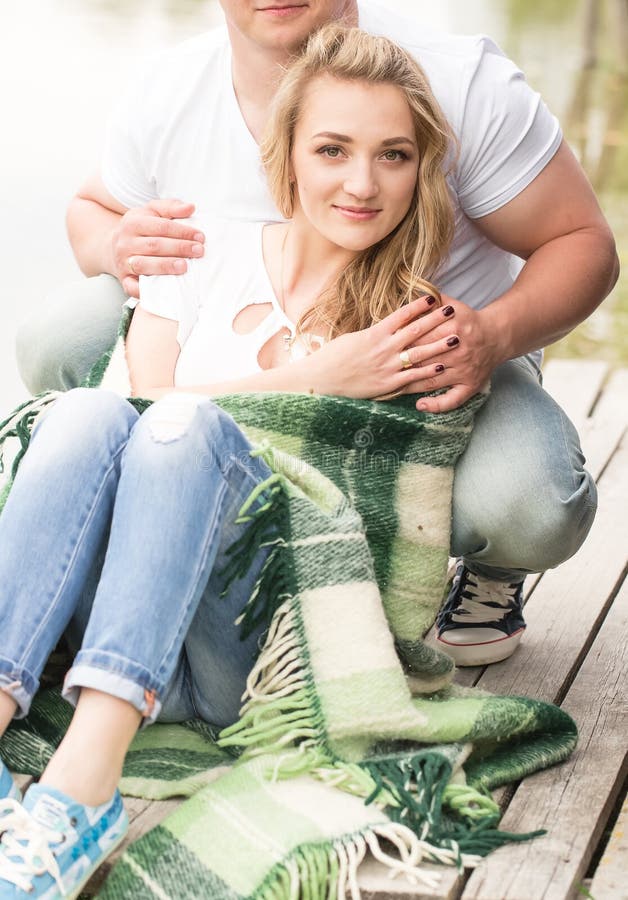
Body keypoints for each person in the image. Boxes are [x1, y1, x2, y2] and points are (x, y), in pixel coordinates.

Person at [0, 25, 466, 898]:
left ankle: (80, 792)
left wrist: (321, 386)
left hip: (241, 654)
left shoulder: (412, 327)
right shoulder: (200, 250)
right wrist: (316, 378)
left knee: (184, 429)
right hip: (107, 617)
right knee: (92, 412)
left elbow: (374, 547)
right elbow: (134, 413)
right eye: (333, 149)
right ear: (284, 155)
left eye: (393, 155)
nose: (362, 183)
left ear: (420, 169)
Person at [16, 0, 617, 666]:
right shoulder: (171, 89)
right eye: (331, 150)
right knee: (61, 336)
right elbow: (91, 208)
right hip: (238, 340)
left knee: (536, 506)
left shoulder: (463, 83)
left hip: (436, 371)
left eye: (391, 156)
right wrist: (115, 242)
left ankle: (486, 561)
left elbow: (584, 243)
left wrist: (493, 333)